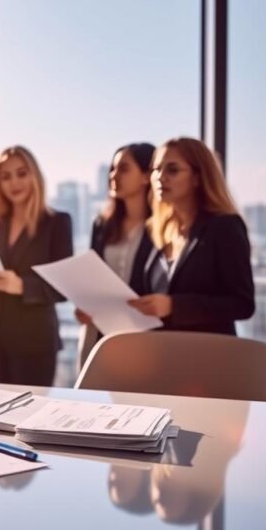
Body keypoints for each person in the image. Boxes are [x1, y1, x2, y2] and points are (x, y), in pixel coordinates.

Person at [0, 146, 72, 386]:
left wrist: (21, 286)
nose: (14, 183)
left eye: (22, 173)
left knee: (28, 417)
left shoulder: (57, 223)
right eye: (6, 176)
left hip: (33, 342)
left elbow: (63, 289)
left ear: (35, 175)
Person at [127, 137, 254, 335]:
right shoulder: (161, 229)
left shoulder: (224, 227)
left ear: (197, 177)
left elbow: (242, 304)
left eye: (172, 169)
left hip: (204, 356)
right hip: (163, 353)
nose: (160, 177)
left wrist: (174, 306)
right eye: (156, 170)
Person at [76, 142, 157, 366]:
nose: (113, 175)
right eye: (112, 168)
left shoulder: (160, 228)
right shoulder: (102, 225)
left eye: (124, 168)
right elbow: (93, 277)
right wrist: (84, 305)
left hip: (143, 338)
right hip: (100, 333)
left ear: (145, 176)